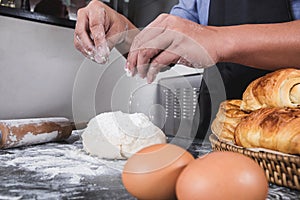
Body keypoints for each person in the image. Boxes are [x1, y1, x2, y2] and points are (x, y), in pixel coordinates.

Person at [74, 0, 300, 138]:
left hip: (287, 128)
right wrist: (121, 31)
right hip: (217, 130)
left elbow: (206, 39)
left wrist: (218, 40)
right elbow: (167, 44)